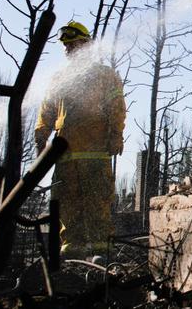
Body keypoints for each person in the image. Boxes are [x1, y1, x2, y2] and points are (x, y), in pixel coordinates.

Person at [34, 20, 126, 257]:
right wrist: (41, 134)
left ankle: (100, 254)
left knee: (97, 203)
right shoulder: (59, 79)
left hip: (95, 152)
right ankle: (71, 252)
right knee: (67, 205)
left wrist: (116, 134)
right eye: (65, 47)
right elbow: (47, 109)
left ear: (86, 45)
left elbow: (117, 107)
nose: (68, 50)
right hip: (65, 155)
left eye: (73, 45)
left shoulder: (105, 75)